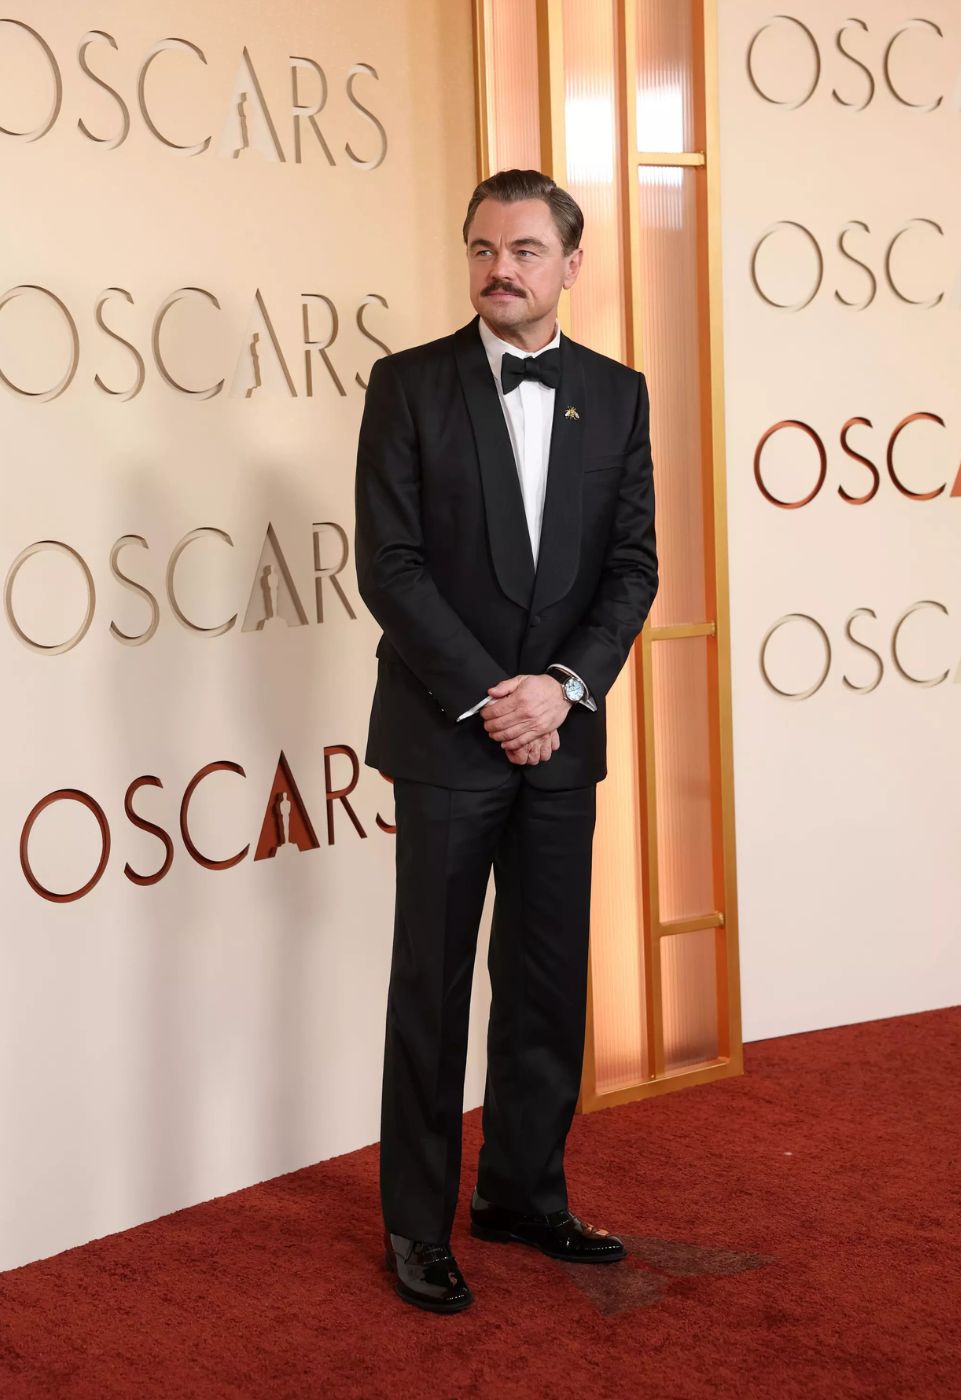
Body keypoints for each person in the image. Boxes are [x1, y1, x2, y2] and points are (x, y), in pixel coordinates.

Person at [354, 168, 658, 1313]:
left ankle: (522, 1192)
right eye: (482, 249)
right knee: (430, 987)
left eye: (525, 250)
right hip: (448, 734)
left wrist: (563, 689)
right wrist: (497, 696)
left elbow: (632, 566)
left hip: (561, 736)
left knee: (544, 978)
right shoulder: (407, 384)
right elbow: (390, 566)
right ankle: (416, 1224)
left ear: (570, 264)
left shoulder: (618, 394)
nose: (500, 269)